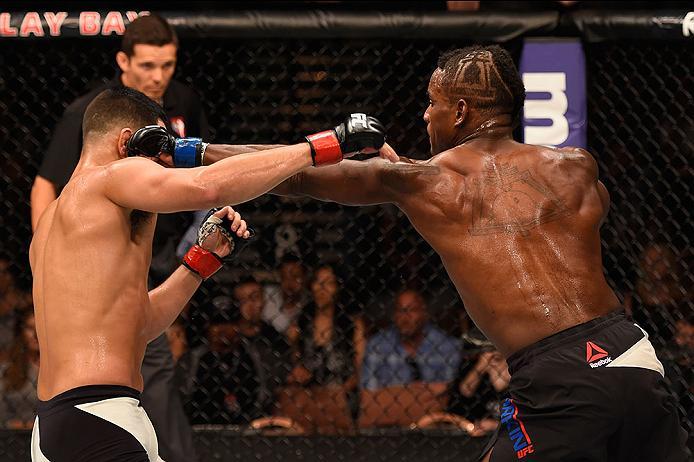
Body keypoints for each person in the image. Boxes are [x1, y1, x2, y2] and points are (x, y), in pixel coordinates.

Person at [269, 45, 689, 460]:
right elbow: (572, 219)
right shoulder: (575, 166)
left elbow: (296, 177)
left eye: (432, 102)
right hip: (631, 354)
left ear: (460, 111)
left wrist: (202, 153)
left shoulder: (425, 183)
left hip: (558, 376)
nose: (425, 114)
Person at [29, 86, 388, 461]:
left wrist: (201, 261)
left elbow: (140, 323)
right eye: (157, 150)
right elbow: (210, 185)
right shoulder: (111, 178)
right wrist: (328, 144)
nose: (163, 163)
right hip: (98, 418)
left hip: (60, 423)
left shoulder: (49, 227)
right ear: (127, 142)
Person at [29, 14, 209, 462]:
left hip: (160, 248)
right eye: (148, 66)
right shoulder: (95, 114)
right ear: (123, 62)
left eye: (167, 66)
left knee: (158, 368)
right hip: (99, 261)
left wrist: (197, 244)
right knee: (137, 364)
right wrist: (54, 265)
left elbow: (204, 172)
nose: (158, 77)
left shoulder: (181, 102)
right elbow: (43, 186)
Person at [360, 289, 460, 391]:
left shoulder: (447, 346)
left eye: (412, 310)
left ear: (424, 313)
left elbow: (452, 392)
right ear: (394, 315)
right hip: (390, 405)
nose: (405, 318)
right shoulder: (377, 345)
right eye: (400, 310)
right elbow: (367, 391)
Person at [0, 311, 39, 429]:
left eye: (39, 328)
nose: (36, 334)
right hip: (12, 435)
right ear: (21, 332)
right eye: (30, 328)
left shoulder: (60, 371)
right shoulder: (8, 371)